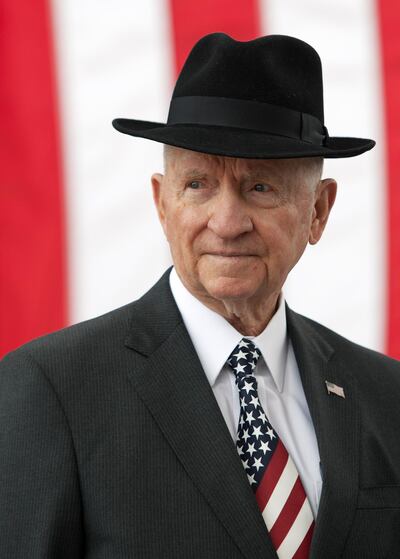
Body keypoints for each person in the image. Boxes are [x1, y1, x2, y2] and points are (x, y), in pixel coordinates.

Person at [1, 32, 399, 559]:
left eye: (260, 187)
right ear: (162, 203)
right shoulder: (52, 391)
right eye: (197, 185)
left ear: (319, 211)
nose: (227, 223)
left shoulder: (386, 396)